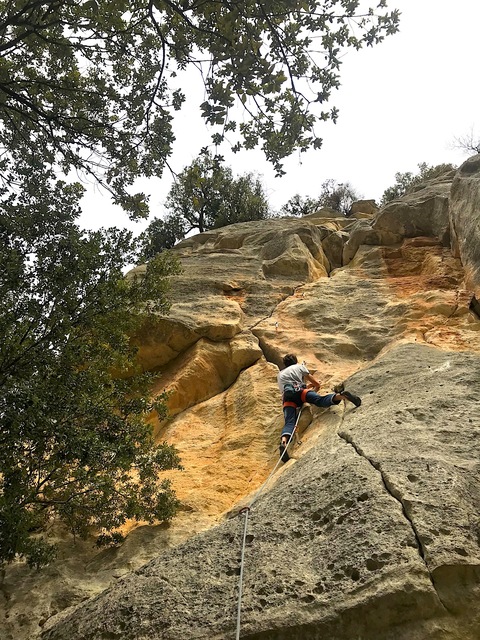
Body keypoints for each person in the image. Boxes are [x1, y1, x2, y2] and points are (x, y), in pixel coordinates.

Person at [277, 354, 361, 462]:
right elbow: (316, 384)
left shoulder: (280, 375)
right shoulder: (299, 367)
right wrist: (312, 390)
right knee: (320, 400)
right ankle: (342, 396)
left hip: (288, 397)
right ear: (295, 361)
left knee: (289, 422)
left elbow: (286, 391)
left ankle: (284, 442)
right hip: (301, 392)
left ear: (285, 364)